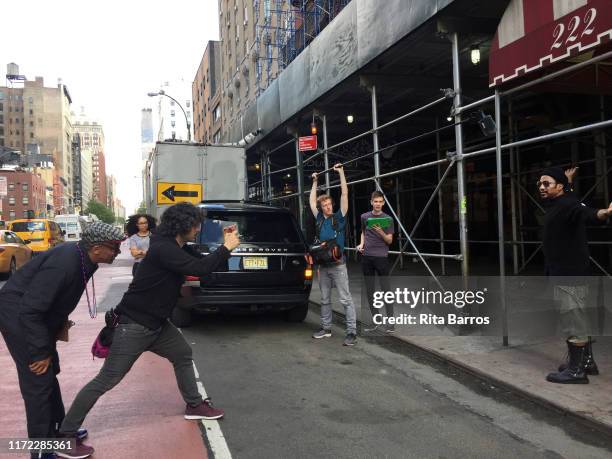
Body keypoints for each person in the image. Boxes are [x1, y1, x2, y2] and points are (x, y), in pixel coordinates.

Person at [57, 202, 240, 458]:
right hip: (135, 325)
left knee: (183, 354)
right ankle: (65, 435)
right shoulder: (164, 249)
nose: (198, 229)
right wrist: (226, 248)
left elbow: (202, 262)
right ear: (184, 225)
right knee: (107, 380)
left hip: (156, 324)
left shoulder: (173, 246)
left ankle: (195, 404)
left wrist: (225, 244)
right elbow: (199, 269)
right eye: (196, 224)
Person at [0, 222, 125, 459]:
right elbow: (30, 310)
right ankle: (41, 450)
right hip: (20, 317)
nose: (118, 253)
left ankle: (60, 431)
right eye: (115, 248)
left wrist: (57, 325)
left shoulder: (84, 257)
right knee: (38, 381)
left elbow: (58, 296)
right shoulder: (64, 264)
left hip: (37, 316)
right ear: (97, 248)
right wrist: (40, 352)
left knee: (50, 373)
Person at [537, 166, 611, 384]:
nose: (541, 187)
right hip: (565, 272)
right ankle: (586, 363)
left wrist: (604, 213)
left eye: (546, 183)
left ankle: (576, 371)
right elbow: (573, 200)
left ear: (558, 187)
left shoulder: (568, 205)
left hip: (569, 274)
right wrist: (567, 182)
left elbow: (587, 212)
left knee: (573, 320)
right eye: (540, 184)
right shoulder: (561, 201)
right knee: (579, 317)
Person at [309, 164, 357, 346]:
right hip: (323, 265)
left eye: (329, 204)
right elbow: (312, 201)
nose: (328, 207)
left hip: (338, 265)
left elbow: (345, 194)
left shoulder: (339, 217)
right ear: (321, 208)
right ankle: (326, 328)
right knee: (324, 298)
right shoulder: (320, 219)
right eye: (325, 205)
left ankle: (352, 332)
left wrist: (342, 173)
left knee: (345, 298)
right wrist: (315, 182)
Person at [357, 190, 395, 333]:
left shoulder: (388, 219)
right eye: (375, 201)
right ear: (371, 202)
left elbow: (389, 240)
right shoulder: (364, 217)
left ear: (383, 203)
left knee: (386, 290)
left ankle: (390, 323)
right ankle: (376, 321)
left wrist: (380, 231)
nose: (378, 204)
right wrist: (361, 244)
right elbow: (363, 232)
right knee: (370, 291)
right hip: (367, 257)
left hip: (381, 258)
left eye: (380, 202)